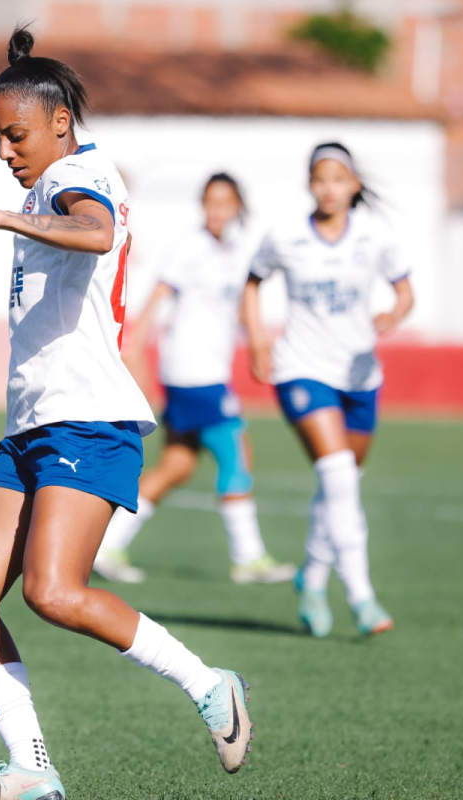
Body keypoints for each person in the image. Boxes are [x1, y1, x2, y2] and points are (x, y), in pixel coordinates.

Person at [0, 28, 252, 800]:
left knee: (54, 592)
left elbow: (96, 229)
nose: (5, 150)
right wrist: (11, 211)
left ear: (59, 123)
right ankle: (31, 770)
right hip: (31, 428)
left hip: (89, 421)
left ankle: (210, 685)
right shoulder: (47, 181)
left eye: (16, 134)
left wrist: (3, 217)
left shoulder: (81, 172)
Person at [241, 142, 414, 637]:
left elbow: (405, 292)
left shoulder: (375, 236)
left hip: (360, 376)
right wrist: (257, 338)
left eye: (338, 178)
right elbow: (252, 283)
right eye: (320, 178)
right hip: (301, 369)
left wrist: (393, 315)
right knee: (338, 475)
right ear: (309, 184)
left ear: (354, 185)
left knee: (341, 485)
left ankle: (312, 578)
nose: (329, 187)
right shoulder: (287, 236)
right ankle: (361, 596)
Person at [93, 173, 296, 586]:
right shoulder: (190, 249)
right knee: (236, 453)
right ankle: (249, 558)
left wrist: (259, 344)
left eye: (225, 203)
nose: (217, 211)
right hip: (191, 371)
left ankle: (107, 544)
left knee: (178, 465)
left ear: (238, 206)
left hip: (204, 371)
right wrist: (135, 351)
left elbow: (239, 308)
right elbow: (155, 303)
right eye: (210, 202)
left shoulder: (237, 252)